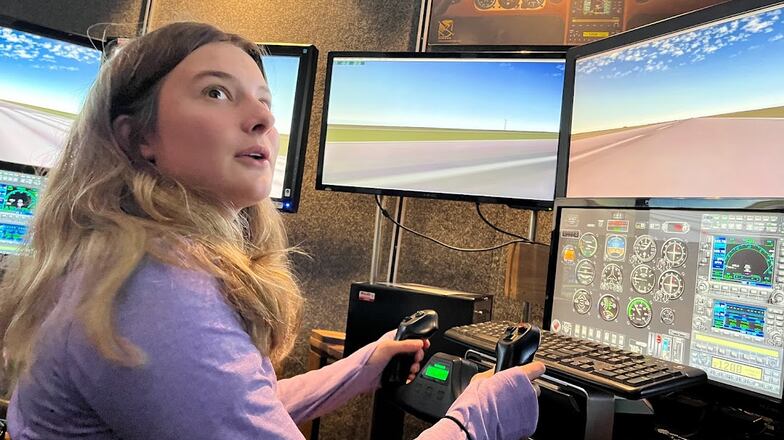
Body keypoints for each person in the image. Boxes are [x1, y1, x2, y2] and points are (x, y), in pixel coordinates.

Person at [0, 22, 544, 439]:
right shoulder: (151, 285)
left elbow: (229, 405)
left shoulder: (131, 257)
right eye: (217, 92)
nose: (261, 118)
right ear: (138, 135)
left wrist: (360, 367)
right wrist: (480, 418)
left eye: (264, 100)